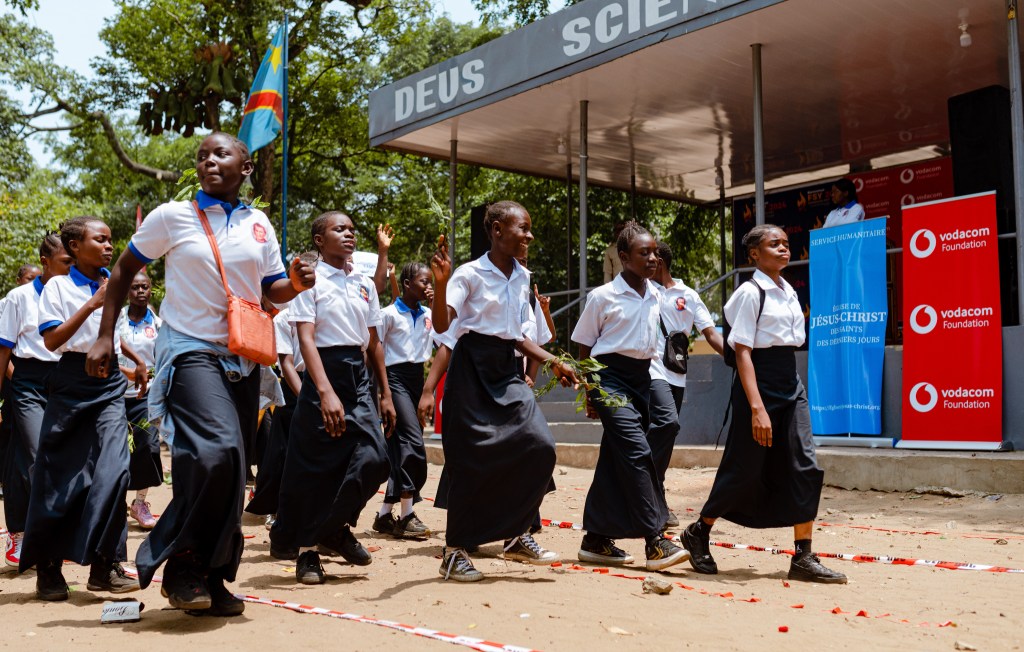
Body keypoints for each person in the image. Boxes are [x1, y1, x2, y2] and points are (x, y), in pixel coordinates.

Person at [86, 132, 316, 615]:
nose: (209, 161)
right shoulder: (173, 216)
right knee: (218, 451)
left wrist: (293, 283)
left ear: (246, 167)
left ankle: (211, 575)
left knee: (233, 470)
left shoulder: (259, 224)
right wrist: (106, 335)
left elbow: (270, 289)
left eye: (221, 153)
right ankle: (181, 565)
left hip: (244, 355)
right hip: (190, 350)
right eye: (202, 156)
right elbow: (124, 271)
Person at [679, 224, 847, 584]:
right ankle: (700, 530)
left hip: (790, 384)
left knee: (805, 466)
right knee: (744, 469)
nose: (784, 249)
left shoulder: (788, 291)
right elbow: (742, 352)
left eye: (787, 243)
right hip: (758, 386)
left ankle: (803, 555)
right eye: (775, 244)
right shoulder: (750, 292)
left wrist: (792, 391)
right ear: (754, 254)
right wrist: (757, 407)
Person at [430, 200, 579, 582]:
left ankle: (516, 536)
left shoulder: (523, 277)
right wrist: (442, 282)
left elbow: (517, 337)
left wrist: (554, 361)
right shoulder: (469, 274)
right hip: (472, 368)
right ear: (496, 231)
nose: (529, 235)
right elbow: (444, 324)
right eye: (522, 228)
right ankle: (454, 551)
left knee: (539, 446)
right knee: (470, 461)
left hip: (507, 371)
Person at [21, 216, 148, 600]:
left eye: (111, 240)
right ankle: (49, 567)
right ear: (75, 247)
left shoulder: (117, 279)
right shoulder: (57, 286)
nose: (109, 246)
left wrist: (134, 360)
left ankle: (104, 564)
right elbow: (52, 340)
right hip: (71, 380)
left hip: (108, 382)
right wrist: (94, 302)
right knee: (61, 476)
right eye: (101, 239)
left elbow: (110, 333)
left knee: (115, 470)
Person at [271, 211, 395, 586]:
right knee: (317, 470)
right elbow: (305, 338)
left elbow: (373, 342)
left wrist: (385, 393)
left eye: (352, 230)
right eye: (338, 229)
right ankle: (308, 552)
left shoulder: (364, 283)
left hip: (357, 376)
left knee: (376, 458)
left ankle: (333, 529)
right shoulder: (309, 280)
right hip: (323, 372)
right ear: (319, 241)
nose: (349, 234)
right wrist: (324, 391)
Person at [571, 221, 690, 572]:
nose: (653, 258)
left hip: (642, 377)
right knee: (636, 450)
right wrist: (590, 391)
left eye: (655, 252)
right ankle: (655, 539)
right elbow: (584, 346)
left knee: (621, 452)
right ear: (624, 258)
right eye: (644, 253)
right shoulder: (603, 296)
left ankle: (596, 538)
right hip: (608, 377)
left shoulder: (655, 294)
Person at [0, 234, 72, 568]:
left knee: (36, 458)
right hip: (25, 381)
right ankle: (24, 535)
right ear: (45, 262)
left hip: (65, 380)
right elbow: (4, 350)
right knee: (35, 456)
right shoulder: (18, 298)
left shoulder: (72, 293)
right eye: (65, 262)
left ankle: (44, 534)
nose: (71, 268)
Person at [647, 241, 723, 529]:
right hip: (649, 371)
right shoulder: (642, 291)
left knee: (665, 431)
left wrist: (738, 358)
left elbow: (711, 334)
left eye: (649, 258)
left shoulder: (688, 295)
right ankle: (652, 493)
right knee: (668, 424)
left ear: (660, 263)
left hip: (676, 372)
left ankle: (654, 493)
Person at [373, 261, 434, 539]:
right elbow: (376, 353)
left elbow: (445, 340)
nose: (428, 286)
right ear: (408, 284)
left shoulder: (429, 315)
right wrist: (383, 392)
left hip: (416, 379)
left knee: (401, 445)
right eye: (424, 281)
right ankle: (407, 515)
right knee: (412, 441)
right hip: (393, 379)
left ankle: (385, 515)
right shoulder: (387, 315)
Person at [116, 270, 163, 529]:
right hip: (114, 396)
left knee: (147, 447)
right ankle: (115, 502)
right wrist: (130, 372)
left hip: (146, 397)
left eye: (145, 286)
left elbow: (164, 358)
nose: (141, 291)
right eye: (135, 287)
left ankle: (140, 503)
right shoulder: (115, 321)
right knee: (118, 451)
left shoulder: (158, 324)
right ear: (127, 292)